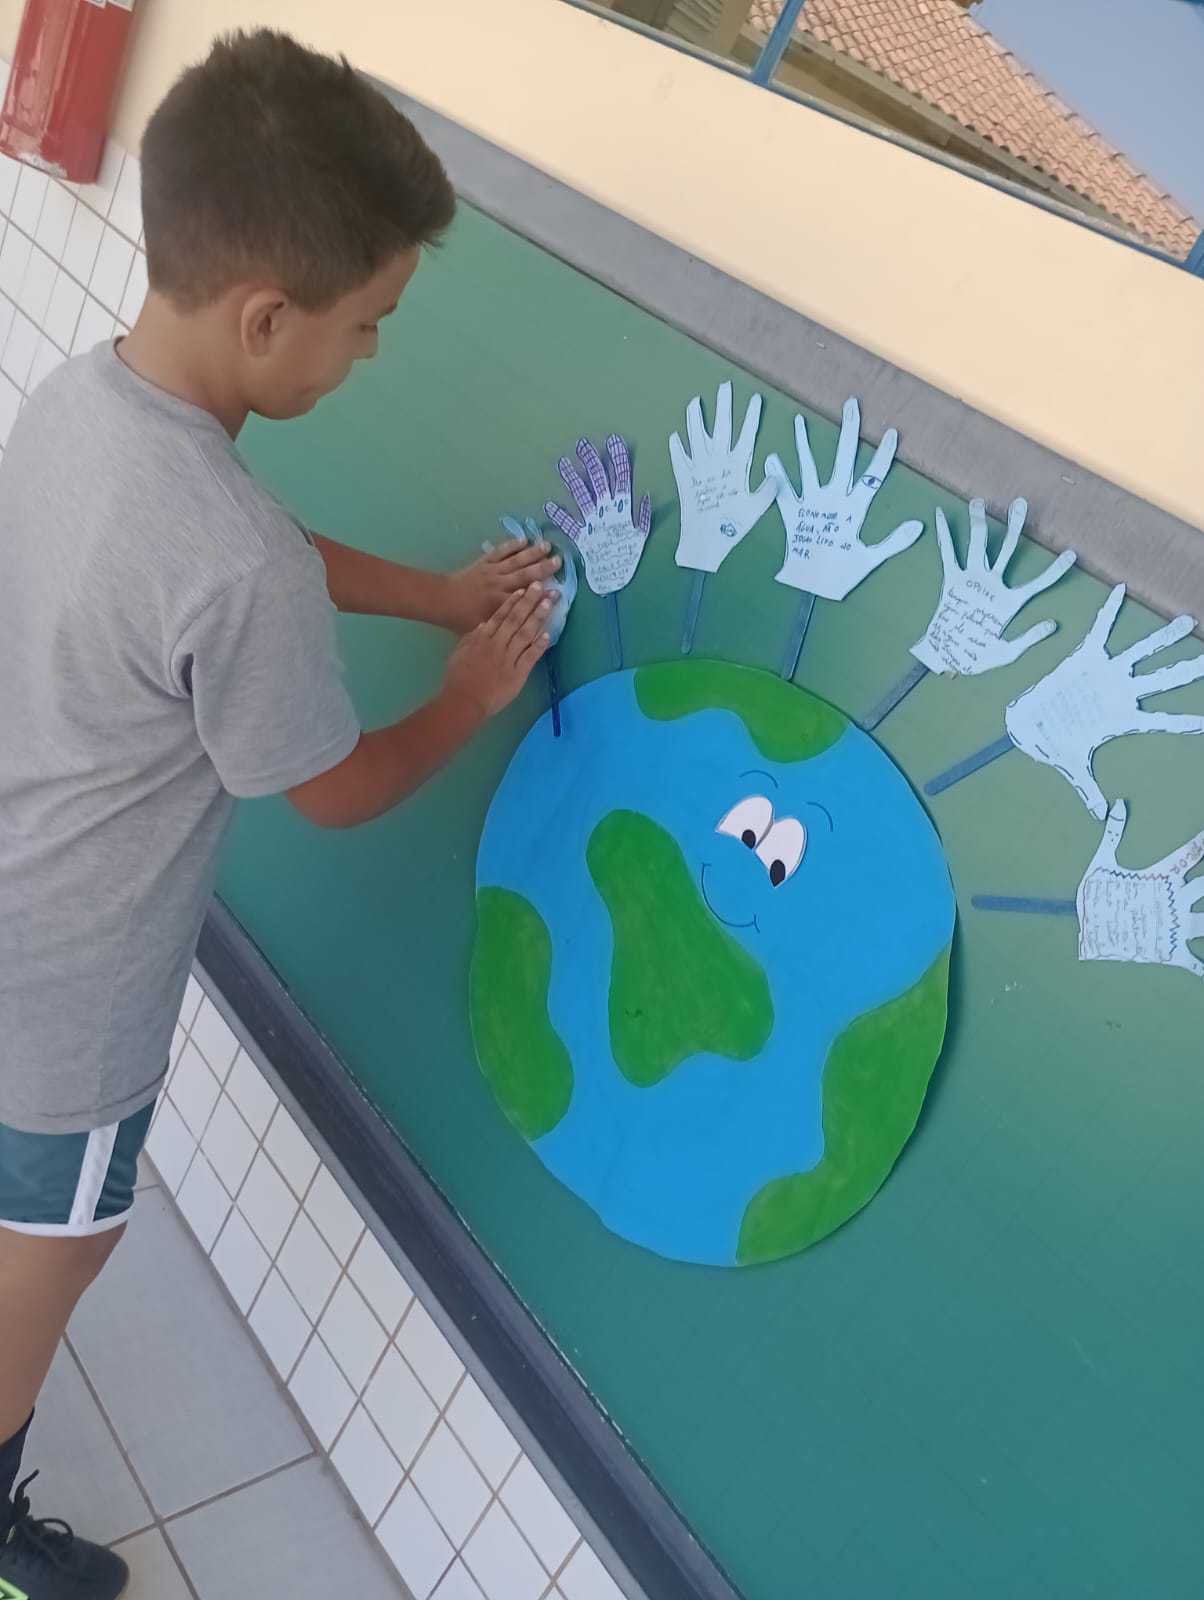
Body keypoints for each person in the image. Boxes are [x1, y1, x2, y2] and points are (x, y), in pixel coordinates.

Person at [0, 29, 558, 1596]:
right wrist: (471, 692)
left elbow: (254, 548)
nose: (369, 354)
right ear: (268, 319)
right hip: (70, 1012)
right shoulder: (232, 557)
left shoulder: (85, 403)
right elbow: (334, 787)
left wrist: (436, 595)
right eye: (369, 324)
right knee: (51, 1260)